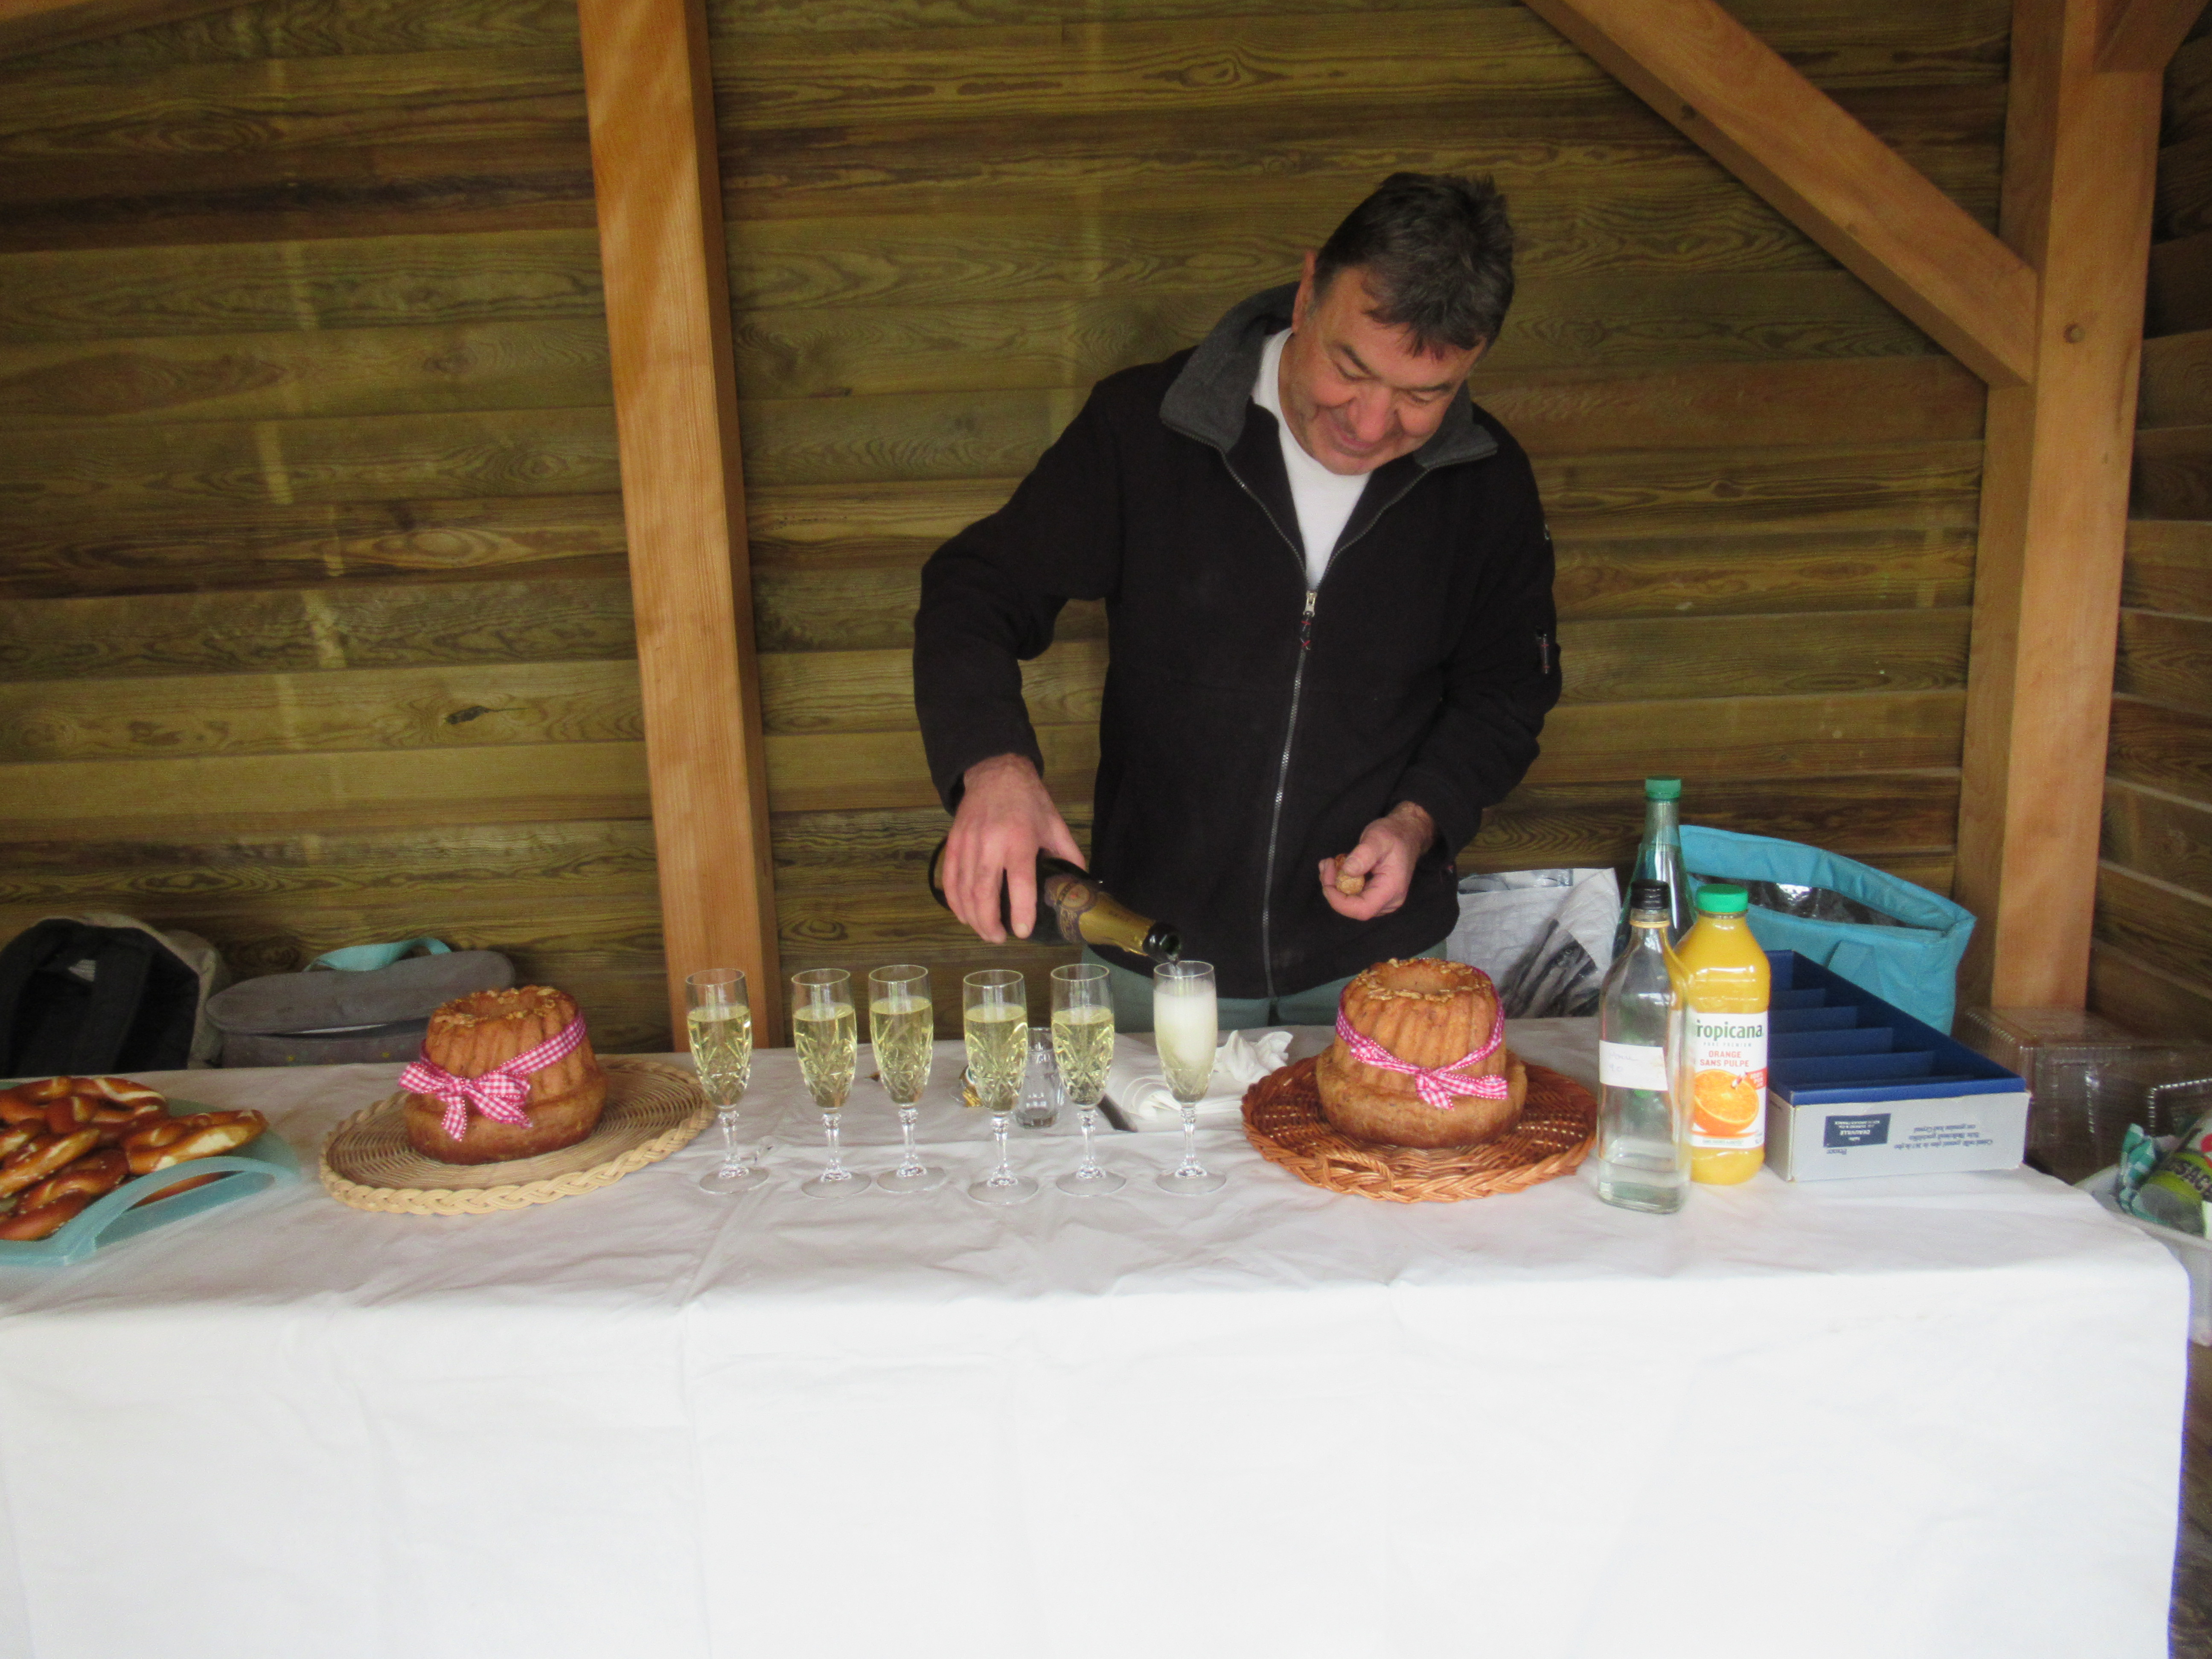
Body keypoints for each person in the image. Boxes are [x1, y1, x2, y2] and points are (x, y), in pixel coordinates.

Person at [913, 172, 1561, 1030]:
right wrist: (994, 766)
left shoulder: (1487, 482)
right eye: (1350, 369)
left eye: (1423, 396)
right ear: (1308, 289)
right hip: (1156, 954)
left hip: (1384, 967)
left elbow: (1506, 695)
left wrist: (1418, 820)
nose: (1371, 425)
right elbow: (974, 588)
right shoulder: (1146, 426)